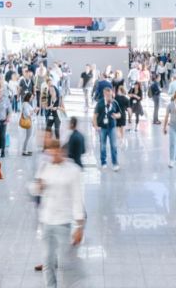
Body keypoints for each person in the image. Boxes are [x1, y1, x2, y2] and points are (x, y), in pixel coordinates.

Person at [28, 139, 85, 288]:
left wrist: (79, 226)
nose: (53, 154)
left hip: (63, 222)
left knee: (65, 263)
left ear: (62, 151)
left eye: (56, 150)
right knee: (47, 262)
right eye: (50, 151)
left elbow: (77, 198)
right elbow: (34, 190)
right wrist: (37, 186)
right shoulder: (44, 167)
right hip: (46, 221)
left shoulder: (73, 170)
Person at [93, 87, 121, 171]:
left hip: (112, 127)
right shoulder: (100, 103)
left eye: (110, 95)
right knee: (103, 146)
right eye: (107, 95)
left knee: (113, 145)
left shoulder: (115, 103)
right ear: (104, 94)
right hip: (102, 128)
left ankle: (115, 163)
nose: (109, 97)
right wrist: (95, 126)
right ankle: (103, 162)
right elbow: (95, 116)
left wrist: (116, 116)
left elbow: (119, 114)